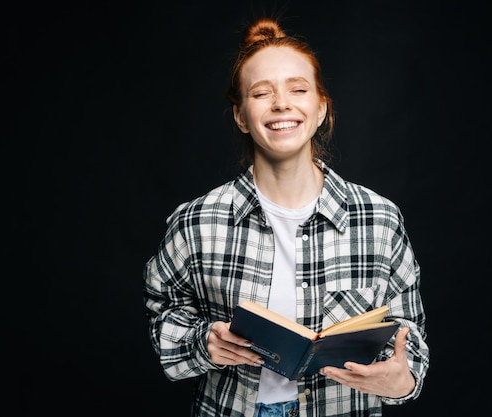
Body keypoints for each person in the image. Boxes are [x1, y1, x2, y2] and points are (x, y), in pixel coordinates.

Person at [142, 16, 429, 417]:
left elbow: (409, 334)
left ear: (321, 107)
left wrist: (402, 381)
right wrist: (202, 343)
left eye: (298, 89)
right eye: (261, 93)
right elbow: (163, 311)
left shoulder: (378, 219)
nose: (281, 103)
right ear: (241, 115)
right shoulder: (197, 221)